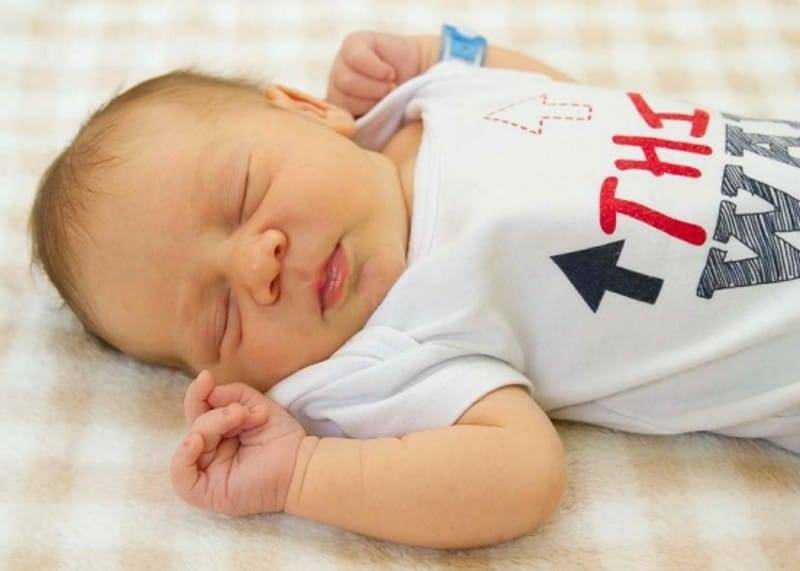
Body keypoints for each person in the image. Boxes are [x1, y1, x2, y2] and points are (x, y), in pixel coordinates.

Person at [27, 27, 800, 550]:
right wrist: (302, 473)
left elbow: (572, 98)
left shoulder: (433, 99)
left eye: (244, 194)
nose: (258, 265)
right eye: (221, 313)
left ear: (309, 110)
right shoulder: (387, 352)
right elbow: (523, 475)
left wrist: (440, 51)